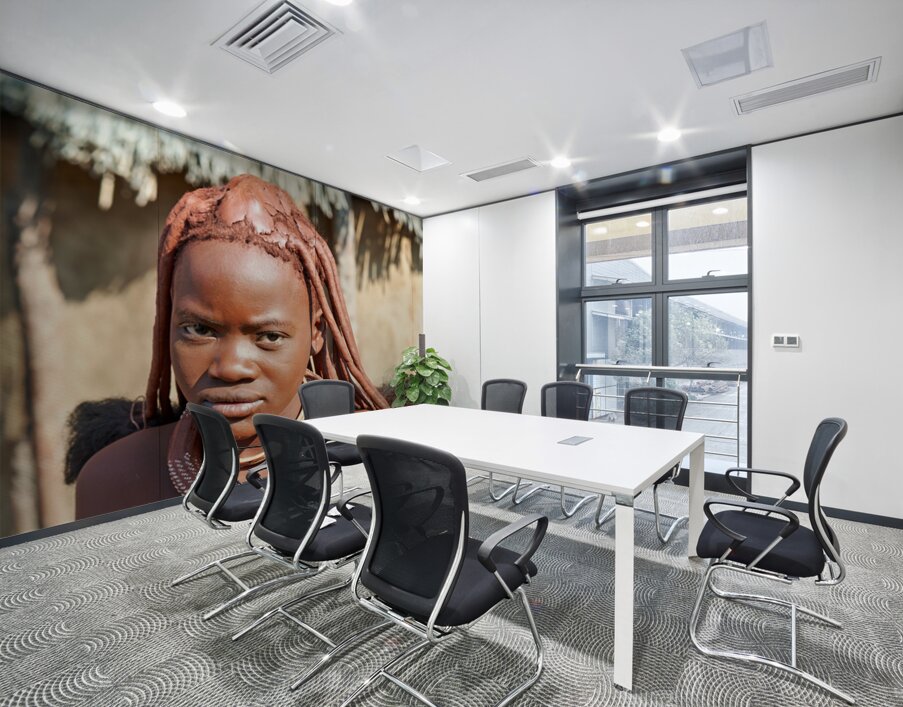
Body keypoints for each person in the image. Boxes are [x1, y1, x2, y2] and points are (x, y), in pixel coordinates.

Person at [67, 174, 386, 519]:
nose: (231, 367)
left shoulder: (378, 463)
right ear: (168, 327)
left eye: (269, 336)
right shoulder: (111, 479)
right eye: (199, 329)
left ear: (317, 330)